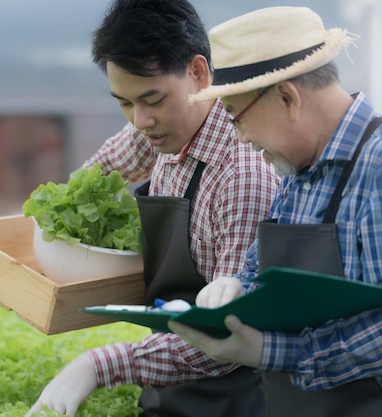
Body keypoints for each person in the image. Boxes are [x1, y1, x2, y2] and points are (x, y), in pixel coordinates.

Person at [169, 6, 382, 417]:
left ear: (287, 98)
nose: (241, 139)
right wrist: (237, 287)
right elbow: (262, 271)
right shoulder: (296, 170)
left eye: (237, 119)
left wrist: (281, 351)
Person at [26, 1, 280, 416]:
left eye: (152, 99)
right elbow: (104, 169)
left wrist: (101, 365)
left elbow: (227, 334)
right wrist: (55, 223)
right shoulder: (160, 130)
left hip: (232, 399)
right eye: (124, 103)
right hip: (164, 389)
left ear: (198, 73)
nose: (140, 120)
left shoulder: (243, 174)